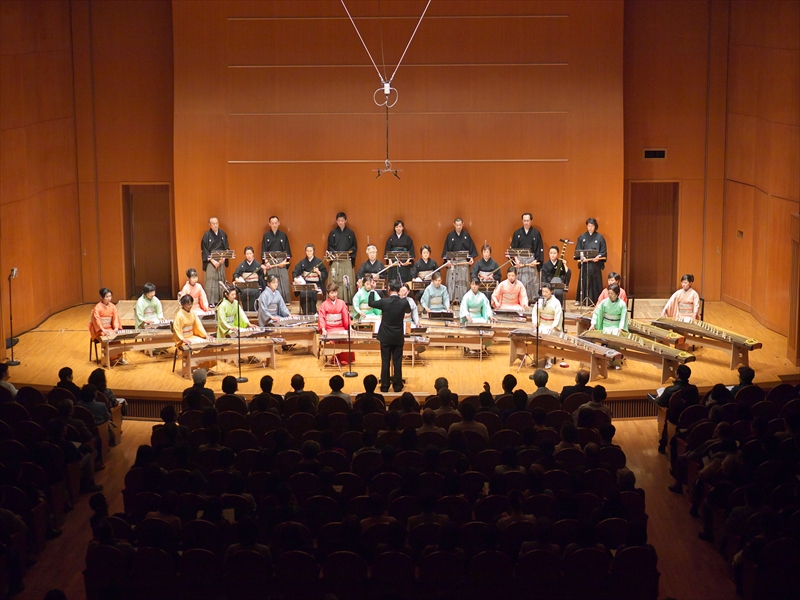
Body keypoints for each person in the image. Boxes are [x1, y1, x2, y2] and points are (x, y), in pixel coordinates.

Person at [368, 280, 412, 392]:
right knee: (397, 362)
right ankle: (397, 386)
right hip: (397, 337)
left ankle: (385, 386)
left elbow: (371, 303)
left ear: (388, 289)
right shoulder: (403, 302)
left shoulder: (384, 301)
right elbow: (408, 310)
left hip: (385, 337)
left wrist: (372, 289)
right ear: (399, 290)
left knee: (385, 361)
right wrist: (404, 297)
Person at [441, 217, 477, 303]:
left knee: (463, 281)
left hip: (463, 261)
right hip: (452, 261)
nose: (458, 227)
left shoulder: (466, 235)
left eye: (460, 225)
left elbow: (471, 249)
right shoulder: (450, 235)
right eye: (457, 225)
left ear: (463, 224)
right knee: (451, 281)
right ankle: (450, 300)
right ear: (454, 225)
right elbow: (446, 250)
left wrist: (471, 258)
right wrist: (447, 261)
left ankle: (463, 300)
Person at [510, 212, 544, 300]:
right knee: (520, 280)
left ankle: (533, 299)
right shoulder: (517, 233)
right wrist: (516, 259)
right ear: (522, 221)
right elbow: (513, 248)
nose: (526, 222)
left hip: (531, 260)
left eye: (528, 221)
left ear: (531, 221)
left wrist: (536, 260)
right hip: (520, 260)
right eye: (524, 221)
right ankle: (520, 299)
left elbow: (539, 248)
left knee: (533, 280)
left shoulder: (536, 233)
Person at [319, 283, 353, 365]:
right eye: (332, 293)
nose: (334, 294)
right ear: (328, 293)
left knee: (347, 338)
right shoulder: (324, 304)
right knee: (334, 340)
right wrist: (323, 329)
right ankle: (335, 358)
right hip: (330, 328)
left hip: (340, 327)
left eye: (335, 292)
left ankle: (345, 359)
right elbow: (321, 317)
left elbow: (345, 316)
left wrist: (349, 327)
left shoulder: (342, 303)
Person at [575, 217, 607, 305]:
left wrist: (599, 256)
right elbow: (578, 250)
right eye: (589, 226)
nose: (590, 228)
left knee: (595, 281)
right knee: (584, 280)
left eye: (592, 226)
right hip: (585, 264)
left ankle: (597, 300)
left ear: (595, 226)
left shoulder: (600, 237)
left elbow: (603, 251)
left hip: (595, 264)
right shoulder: (582, 237)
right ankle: (581, 299)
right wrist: (582, 258)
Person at [327, 212, 357, 304]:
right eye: (339, 221)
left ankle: (348, 299)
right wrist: (335, 254)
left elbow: (354, 246)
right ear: (336, 221)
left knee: (347, 280)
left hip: (346, 260)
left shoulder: (350, 233)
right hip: (336, 260)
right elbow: (330, 246)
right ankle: (334, 298)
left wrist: (348, 253)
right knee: (335, 280)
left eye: (342, 220)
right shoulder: (333, 233)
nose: (340, 222)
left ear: (345, 221)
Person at [261, 215, 293, 303]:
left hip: (282, 261)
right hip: (270, 261)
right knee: (272, 280)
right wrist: (266, 262)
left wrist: (284, 261)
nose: (274, 225)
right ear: (269, 224)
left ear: (279, 223)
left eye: (276, 223)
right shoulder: (266, 236)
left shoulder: (283, 235)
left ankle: (285, 300)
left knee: (283, 280)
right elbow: (264, 251)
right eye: (272, 223)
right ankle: (272, 300)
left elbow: (287, 250)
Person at [88, 288, 123, 364]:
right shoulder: (97, 308)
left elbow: (115, 318)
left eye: (110, 296)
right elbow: (97, 321)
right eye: (107, 297)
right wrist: (103, 330)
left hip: (110, 328)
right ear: (101, 297)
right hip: (99, 330)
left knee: (116, 337)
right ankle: (108, 359)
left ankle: (119, 358)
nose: (109, 298)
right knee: (107, 337)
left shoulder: (113, 306)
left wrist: (116, 327)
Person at [201, 216, 230, 306]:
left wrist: (223, 258)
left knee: (221, 279)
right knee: (211, 280)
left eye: (217, 223)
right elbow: (204, 250)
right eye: (213, 223)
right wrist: (213, 261)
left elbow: (227, 248)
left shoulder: (223, 234)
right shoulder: (206, 235)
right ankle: (210, 301)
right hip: (211, 260)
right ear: (209, 225)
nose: (215, 225)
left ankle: (221, 300)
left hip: (221, 259)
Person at [292, 244, 327, 314]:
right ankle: (305, 311)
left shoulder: (318, 261)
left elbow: (325, 273)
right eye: (307, 251)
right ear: (305, 251)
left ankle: (312, 311)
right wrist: (295, 278)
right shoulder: (302, 262)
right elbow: (295, 271)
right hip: (305, 283)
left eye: (310, 251)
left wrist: (318, 272)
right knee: (303, 292)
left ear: (313, 251)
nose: (309, 252)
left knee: (311, 292)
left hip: (316, 284)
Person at [233, 246, 261, 311]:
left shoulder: (258, 265)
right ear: (245, 255)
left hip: (255, 286)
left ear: (253, 254)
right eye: (247, 254)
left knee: (254, 292)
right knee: (244, 292)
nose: (249, 256)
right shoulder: (242, 265)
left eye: (250, 253)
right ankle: (245, 310)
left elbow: (262, 276)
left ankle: (254, 310)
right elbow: (236, 274)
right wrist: (238, 279)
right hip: (244, 287)